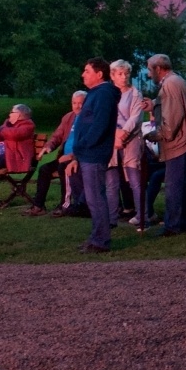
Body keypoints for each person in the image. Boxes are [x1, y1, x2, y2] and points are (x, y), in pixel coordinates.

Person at [71, 58, 121, 254]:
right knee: (93, 198)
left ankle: (100, 240)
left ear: (99, 74)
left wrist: (84, 144)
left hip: (94, 153)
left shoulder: (103, 94)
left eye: (87, 71)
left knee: (96, 198)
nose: (83, 74)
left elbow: (99, 124)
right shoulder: (97, 94)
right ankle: (96, 237)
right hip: (89, 152)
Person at [147, 53, 186, 237]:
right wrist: (153, 104)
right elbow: (171, 103)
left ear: (158, 69)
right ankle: (185, 222)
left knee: (173, 185)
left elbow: (173, 116)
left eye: (149, 70)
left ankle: (173, 226)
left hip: (178, 142)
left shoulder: (169, 85)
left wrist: (159, 134)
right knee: (182, 184)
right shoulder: (177, 81)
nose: (149, 74)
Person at [23, 91, 85, 216]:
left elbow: (87, 142)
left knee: (63, 168)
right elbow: (57, 135)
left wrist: (72, 156)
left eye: (80, 103)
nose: (77, 106)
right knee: (44, 169)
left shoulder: (89, 119)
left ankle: (65, 205)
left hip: (78, 158)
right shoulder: (68, 117)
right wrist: (49, 146)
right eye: (74, 103)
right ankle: (39, 206)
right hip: (64, 157)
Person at [110, 60, 151, 231]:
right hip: (112, 140)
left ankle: (143, 216)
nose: (124, 77)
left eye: (126, 73)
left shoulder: (135, 93)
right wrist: (114, 134)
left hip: (131, 139)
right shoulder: (109, 93)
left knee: (135, 179)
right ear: (112, 75)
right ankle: (111, 218)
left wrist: (123, 134)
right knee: (111, 180)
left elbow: (136, 117)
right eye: (120, 74)